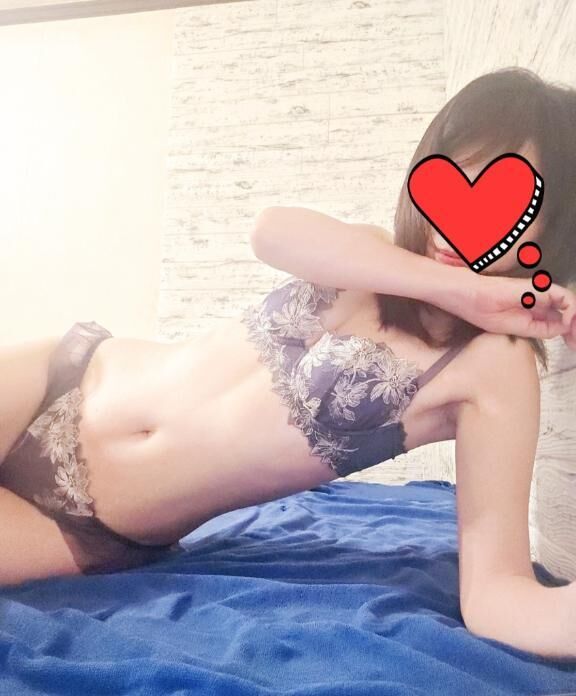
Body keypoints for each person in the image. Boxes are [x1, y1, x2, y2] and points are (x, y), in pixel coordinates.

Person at [1, 67, 576, 659]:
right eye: (456, 170)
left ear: (553, 219)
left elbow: (497, 594)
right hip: (65, 375)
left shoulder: (496, 366)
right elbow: (270, 232)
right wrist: (464, 290)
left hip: (95, 526)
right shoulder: (374, 253)